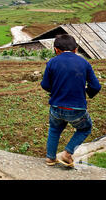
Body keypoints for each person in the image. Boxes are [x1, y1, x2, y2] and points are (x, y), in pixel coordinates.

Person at [40, 34, 101, 167]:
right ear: (76, 49)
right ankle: (67, 153)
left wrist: (55, 90)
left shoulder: (52, 62)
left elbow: (44, 85)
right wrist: (85, 92)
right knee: (85, 128)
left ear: (56, 50)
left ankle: (50, 158)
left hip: (56, 106)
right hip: (77, 109)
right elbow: (96, 86)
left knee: (54, 129)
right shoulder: (84, 63)